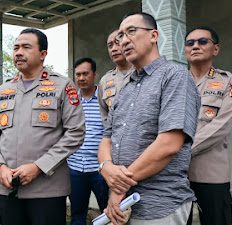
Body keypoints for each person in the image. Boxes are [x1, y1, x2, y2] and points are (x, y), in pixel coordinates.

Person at [97, 12, 201, 225]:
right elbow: (107, 138)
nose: (124, 40)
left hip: (160, 204)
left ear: (154, 35)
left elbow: (169, 144)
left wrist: (119, 186)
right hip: (123, 205)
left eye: (131, 32)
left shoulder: (175, 76)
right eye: (120, 37)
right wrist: (106, 167)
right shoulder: (124, 89)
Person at [0, 28, 86, 225]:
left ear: (43, 54)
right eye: (16, 48)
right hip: (8, 189)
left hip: (47, 191)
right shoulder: (3, 90)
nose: (18, 52)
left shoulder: (62, 86)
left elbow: (75, 133)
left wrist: (39, 167)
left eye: (26, 47)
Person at [184, 27, 232, 225]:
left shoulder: (227, 81)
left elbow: (222, 125)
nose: (195, 46)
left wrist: (180, 150)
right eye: (190, 43)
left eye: (202, 41)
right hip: (176, 176)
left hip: (211, 174)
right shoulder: (174, 82)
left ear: (216, 49)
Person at [67, 57, 108, 225]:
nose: (81, 78)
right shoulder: (70, 102)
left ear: (95, 75)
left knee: (109, 212)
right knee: (77, 215)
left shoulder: (105, 98)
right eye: (78, 74)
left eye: (85, 73)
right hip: (75, 168)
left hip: (101, 169)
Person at [98, 29, 133, 124]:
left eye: (118, 43)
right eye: (110, 46)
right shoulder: (105, 80)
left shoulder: (142, 72)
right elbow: (104, 114)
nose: (114, 49)